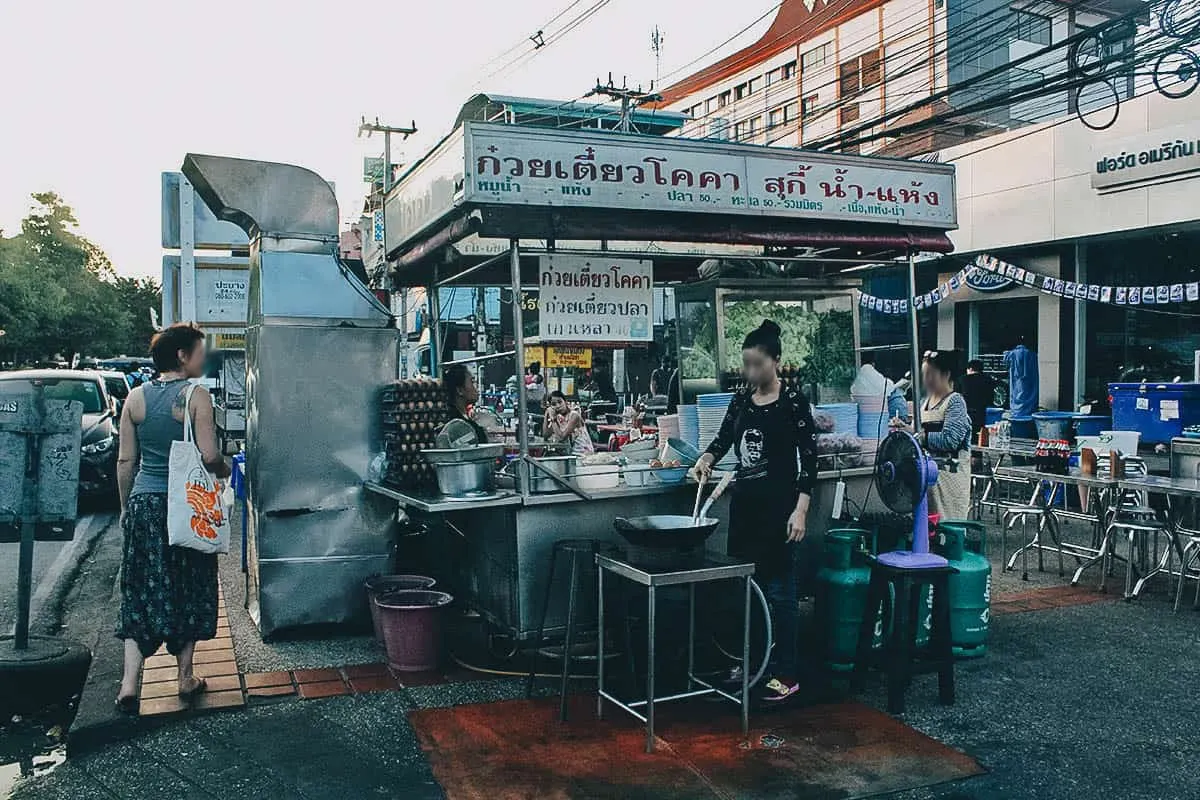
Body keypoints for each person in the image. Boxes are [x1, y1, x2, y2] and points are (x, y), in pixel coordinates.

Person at [692, 320, 818, 703]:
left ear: (776, 362)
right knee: (747, 589)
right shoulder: (742, 398)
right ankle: (752, 663)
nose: (750, 372)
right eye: (746, 364)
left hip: (779, 510)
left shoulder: (793, 401)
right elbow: (724, 436)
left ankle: (785, 672)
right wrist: (707, 458)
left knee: (780, 593)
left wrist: (801, 511)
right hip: (745, 508)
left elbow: (810, 460)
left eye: (757, 364)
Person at [115, 324, 230, 713]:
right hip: (186, 506)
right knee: (190, 584)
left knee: (140, 589)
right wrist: (227, 469)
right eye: (199, 351)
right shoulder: (196, 396)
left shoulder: (134, 398)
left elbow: (126, 461)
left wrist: (124, 507)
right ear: (182, 355)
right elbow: (210, 456)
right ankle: (184, 678)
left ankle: (130, 684)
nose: (203, 358)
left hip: (145, 504)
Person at [891, 350, 973, 520]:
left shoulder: (955, 402)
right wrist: (904, 428)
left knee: (947, 530)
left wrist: (920, 436)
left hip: (949, 482)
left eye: (931, 374)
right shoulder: (924, 403)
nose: (926, 379)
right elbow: (916, 434)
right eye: (924, 374)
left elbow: (951, 439)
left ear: (946, 374)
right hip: (926, 481)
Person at [444, 364, 490, 444]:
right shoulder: (455, 423)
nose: (476, 387)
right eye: (472, 382)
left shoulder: (466, 418)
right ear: (460, 390)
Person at [543, 390, 595, 455]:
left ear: (565, 402)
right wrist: (547, 414)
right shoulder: (558, 417)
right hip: (570, 453)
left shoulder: (574, 415)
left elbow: (561, 438)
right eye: (554, 404)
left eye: (560, 402)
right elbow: (546, 435)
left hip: (583, 454)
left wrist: (553, 419)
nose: (558, 406)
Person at [1004, 338, 1039, 417]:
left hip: (1016, 382)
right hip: (1030, 383)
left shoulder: (1011, 354)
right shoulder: (1032, 355)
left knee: (1017, 393)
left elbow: (1005, 363)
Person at [959, 359, 995, 435]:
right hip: (982, 411)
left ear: (970, 369)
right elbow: (991, 397)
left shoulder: (963, 379)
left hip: (966, 411)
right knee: (980, 433)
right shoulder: (988, 379)